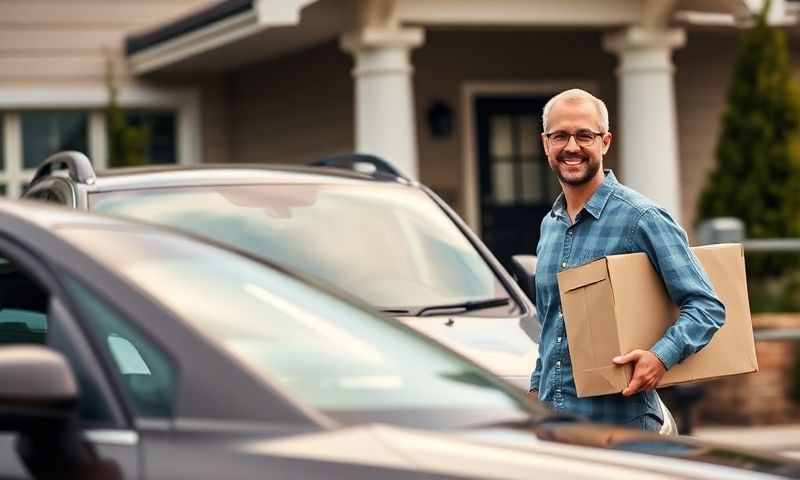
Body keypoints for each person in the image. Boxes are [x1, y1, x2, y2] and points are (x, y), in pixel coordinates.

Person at [528, 88, 725, 432]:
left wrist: (661, 356)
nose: (571, 147)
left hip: (622, 429)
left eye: (584, 135)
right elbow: (552, 327)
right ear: (546, 144)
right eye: (560, 136)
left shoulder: (642, 218)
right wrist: (534, 389)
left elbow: (706, 306)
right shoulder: (551, 225)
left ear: (605, 142)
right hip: (556, 428)